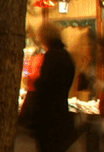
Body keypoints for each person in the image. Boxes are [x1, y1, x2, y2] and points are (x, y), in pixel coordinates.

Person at [21, 21, 76, 152]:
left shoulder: (51, 56)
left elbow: (44, 86)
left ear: (45, 38)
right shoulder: (66, 56)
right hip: (60, 115)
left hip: (48, 120)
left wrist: (34, 82)